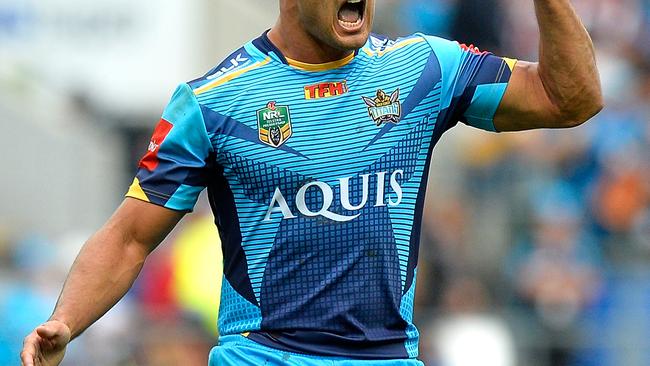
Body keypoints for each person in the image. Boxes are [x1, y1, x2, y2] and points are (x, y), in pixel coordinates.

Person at [21, 0, 602, 365]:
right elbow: (128, 237)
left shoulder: (425, 69)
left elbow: (570, 99)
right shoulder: (213, 101)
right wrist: (65, 322)